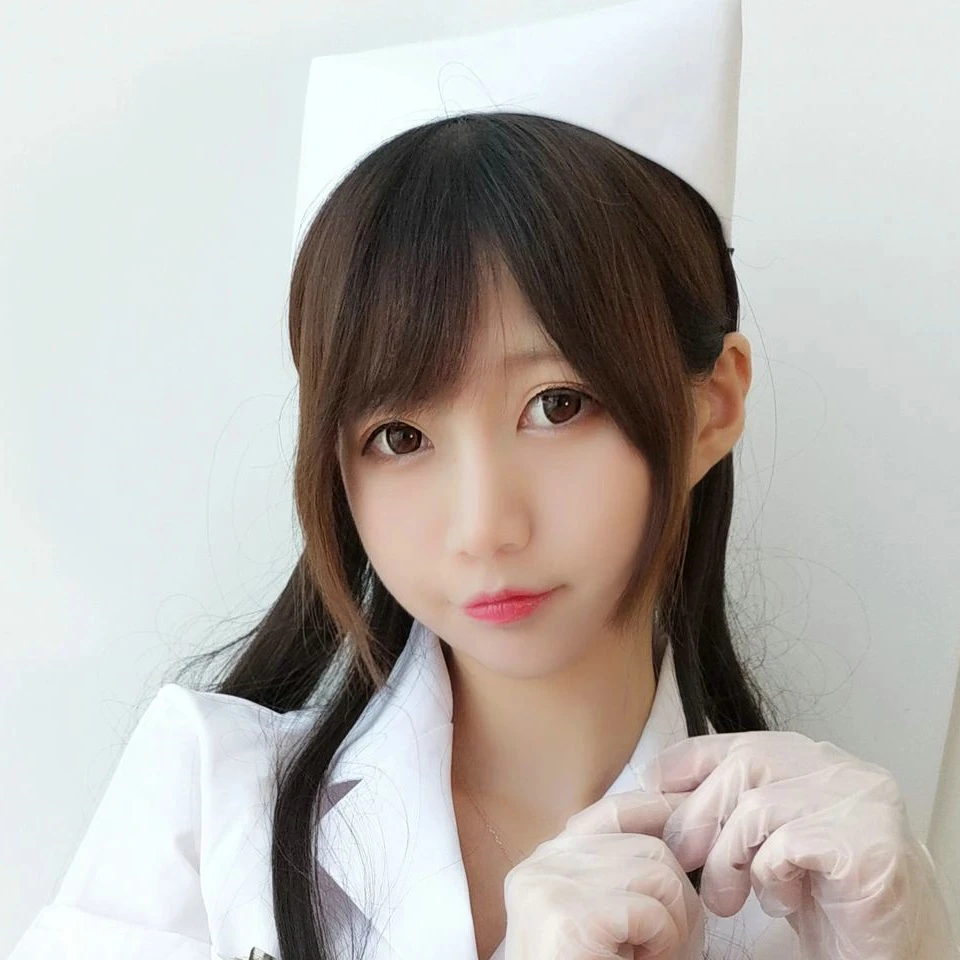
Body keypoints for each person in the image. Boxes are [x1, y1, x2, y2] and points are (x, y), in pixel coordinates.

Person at [9, 2, 959, 959]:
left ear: (710, 406)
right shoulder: (209, 802)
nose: (484, 526)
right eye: (400, 435)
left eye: (557, 405)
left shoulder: (826, 897)